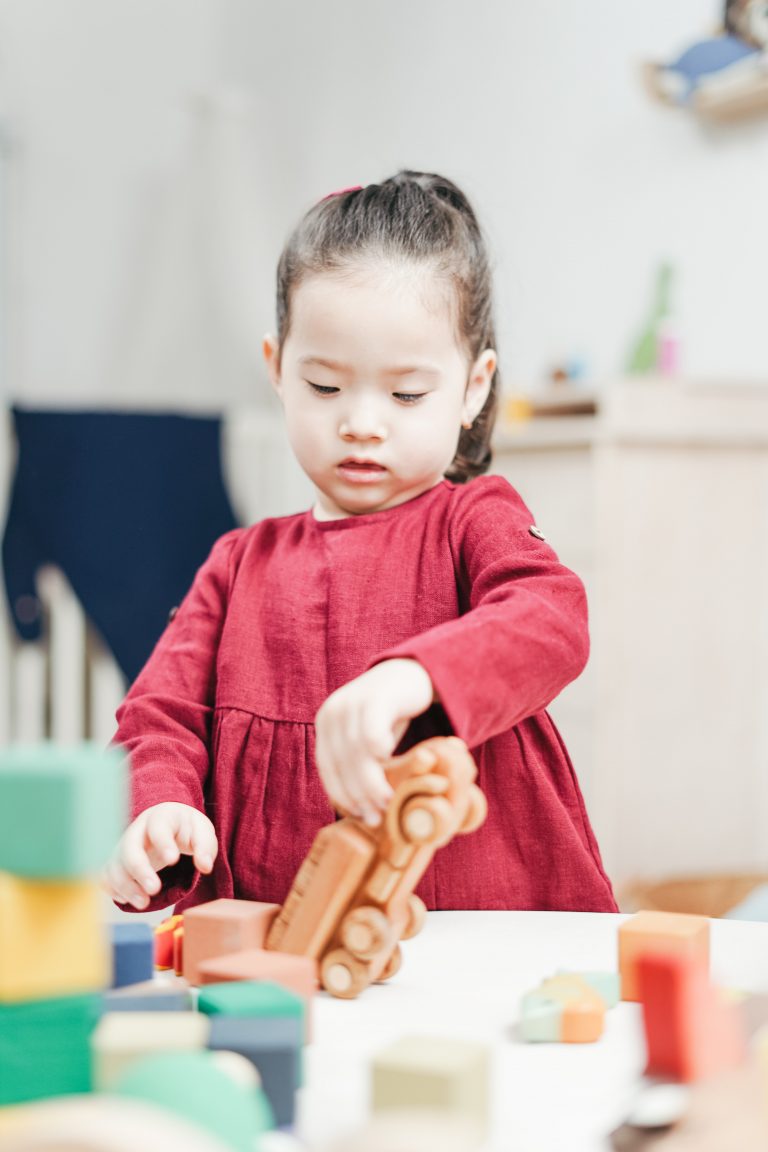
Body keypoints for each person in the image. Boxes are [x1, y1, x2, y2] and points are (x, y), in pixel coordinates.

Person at [104, 171, 616, 915]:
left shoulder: (474, 518)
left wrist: (418, 679)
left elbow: (552, 618)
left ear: (473, 388)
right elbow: (158, 716)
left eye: (407, 393)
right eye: (324, 386)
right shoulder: (237, 563)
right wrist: (158, 812)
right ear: (278, 369)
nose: (363, 423)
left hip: (478, 934)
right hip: (283, 952)